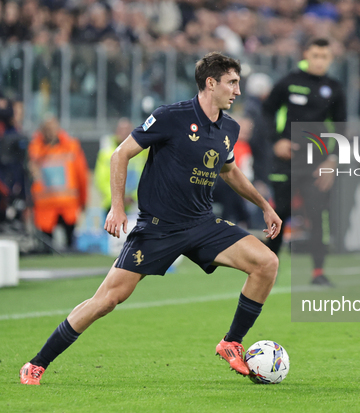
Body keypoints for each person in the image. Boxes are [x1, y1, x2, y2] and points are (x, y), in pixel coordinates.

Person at [20, 52, 282, 385]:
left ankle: (231, 341)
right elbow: (121, 154)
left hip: (202, 225)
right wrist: (117, 207)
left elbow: (229, 171)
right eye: (232, 82)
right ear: (211, 83)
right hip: (158, 229)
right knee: (107, 300)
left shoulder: (228, 127)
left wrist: (264, 205)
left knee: (266, 263)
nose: (238, 90)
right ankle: (36, 363)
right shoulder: (170, 117)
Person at [262, 37, 346, 286]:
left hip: (317, 163)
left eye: (325, 57)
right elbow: (267, 111)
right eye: (316, 55)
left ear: (330, 59)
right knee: (280, 214)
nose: (320, 61)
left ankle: (318, 273)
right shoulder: (289, 82)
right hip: (286, 161)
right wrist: (277, 140)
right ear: (306, 55)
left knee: (318, 215)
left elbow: (341, 127)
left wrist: (333, 160)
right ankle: (269, 268)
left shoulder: (334, 88)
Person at [28, 116, 88, 249]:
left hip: (68, 205)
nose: (51, 132)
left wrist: (83, 200)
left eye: (53, 128)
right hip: (45, 207)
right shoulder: (34, 149)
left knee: (70, 245)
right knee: (46, 248)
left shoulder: (71, 146)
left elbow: (81, 175)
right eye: (47, 129)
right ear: (41, 130)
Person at [94, 118, 148, 213]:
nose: (124, 133)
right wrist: (119, 197)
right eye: (121, 130)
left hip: (136, 206)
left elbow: (146, 177)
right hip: (111, 206)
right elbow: (101, 180)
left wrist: (133, 196)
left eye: (128, 130)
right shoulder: (106, 153)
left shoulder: (142, 153)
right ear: (116, 132)